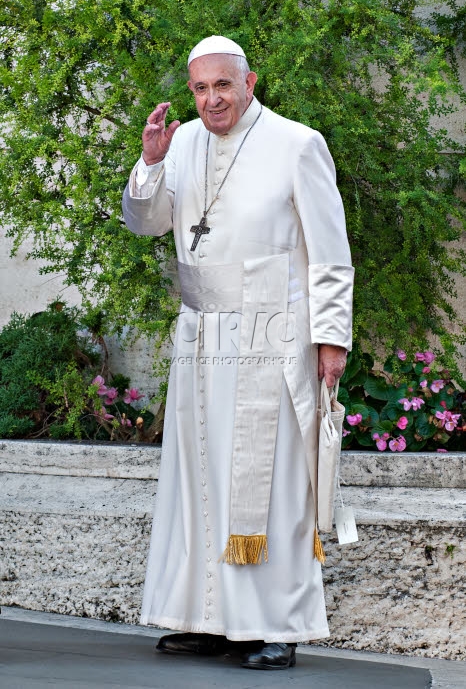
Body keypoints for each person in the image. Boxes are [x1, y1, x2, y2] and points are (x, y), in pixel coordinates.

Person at [122, 35, 353, 670]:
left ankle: (273, 624)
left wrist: (330, 340)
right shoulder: (184, 142)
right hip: (199, 338)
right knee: (200, 481)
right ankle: (208, 618)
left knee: (269, 484)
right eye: (200, 88)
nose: (211, 99)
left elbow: (331, 255)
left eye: (223, 85)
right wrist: (148, 163)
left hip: (271, 337)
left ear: (250, 82)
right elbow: (147, 222)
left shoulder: (297, 144)